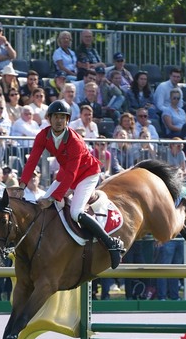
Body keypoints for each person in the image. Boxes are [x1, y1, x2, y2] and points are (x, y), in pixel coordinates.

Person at [18, 100, 124, 267]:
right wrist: (21, 186)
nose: (59, 120)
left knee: (75, 212)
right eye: (56, 117)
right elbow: (32, 161)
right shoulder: (43, 135)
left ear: (67, 120)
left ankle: (111, 244)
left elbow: (72, 174)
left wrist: (53, 198)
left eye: (63, 117)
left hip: (87, 175)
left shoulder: (75, 140)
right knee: (41, 208)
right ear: (49, 118)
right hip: (66, 173)